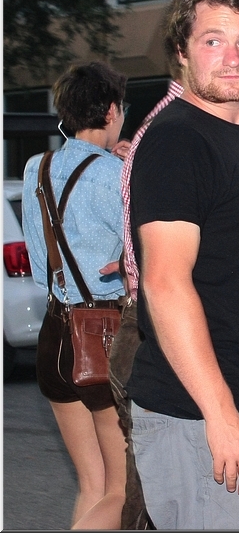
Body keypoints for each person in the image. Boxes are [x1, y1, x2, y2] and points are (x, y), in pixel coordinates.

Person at [127, 0, 239, 529]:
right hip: (201, 417)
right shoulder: (179, 139)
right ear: (181, 52)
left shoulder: (234, 140)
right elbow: (164, 283)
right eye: (213, 41)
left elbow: (217, 244)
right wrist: (220, 415)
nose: (232, 56)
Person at [22, 61, 129, 530]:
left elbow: (39, 261)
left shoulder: (36, 167)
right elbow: (143, 257)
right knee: (122, 492)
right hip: (103, 339)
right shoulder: (116, 176)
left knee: (92, 484)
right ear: (111, 111)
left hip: (54, 335)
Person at [108, 60, 183, 531]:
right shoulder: (174, 131)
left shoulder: (151, 133)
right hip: (149, 326)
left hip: (129, 320)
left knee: (131, 478)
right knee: (152, 486)